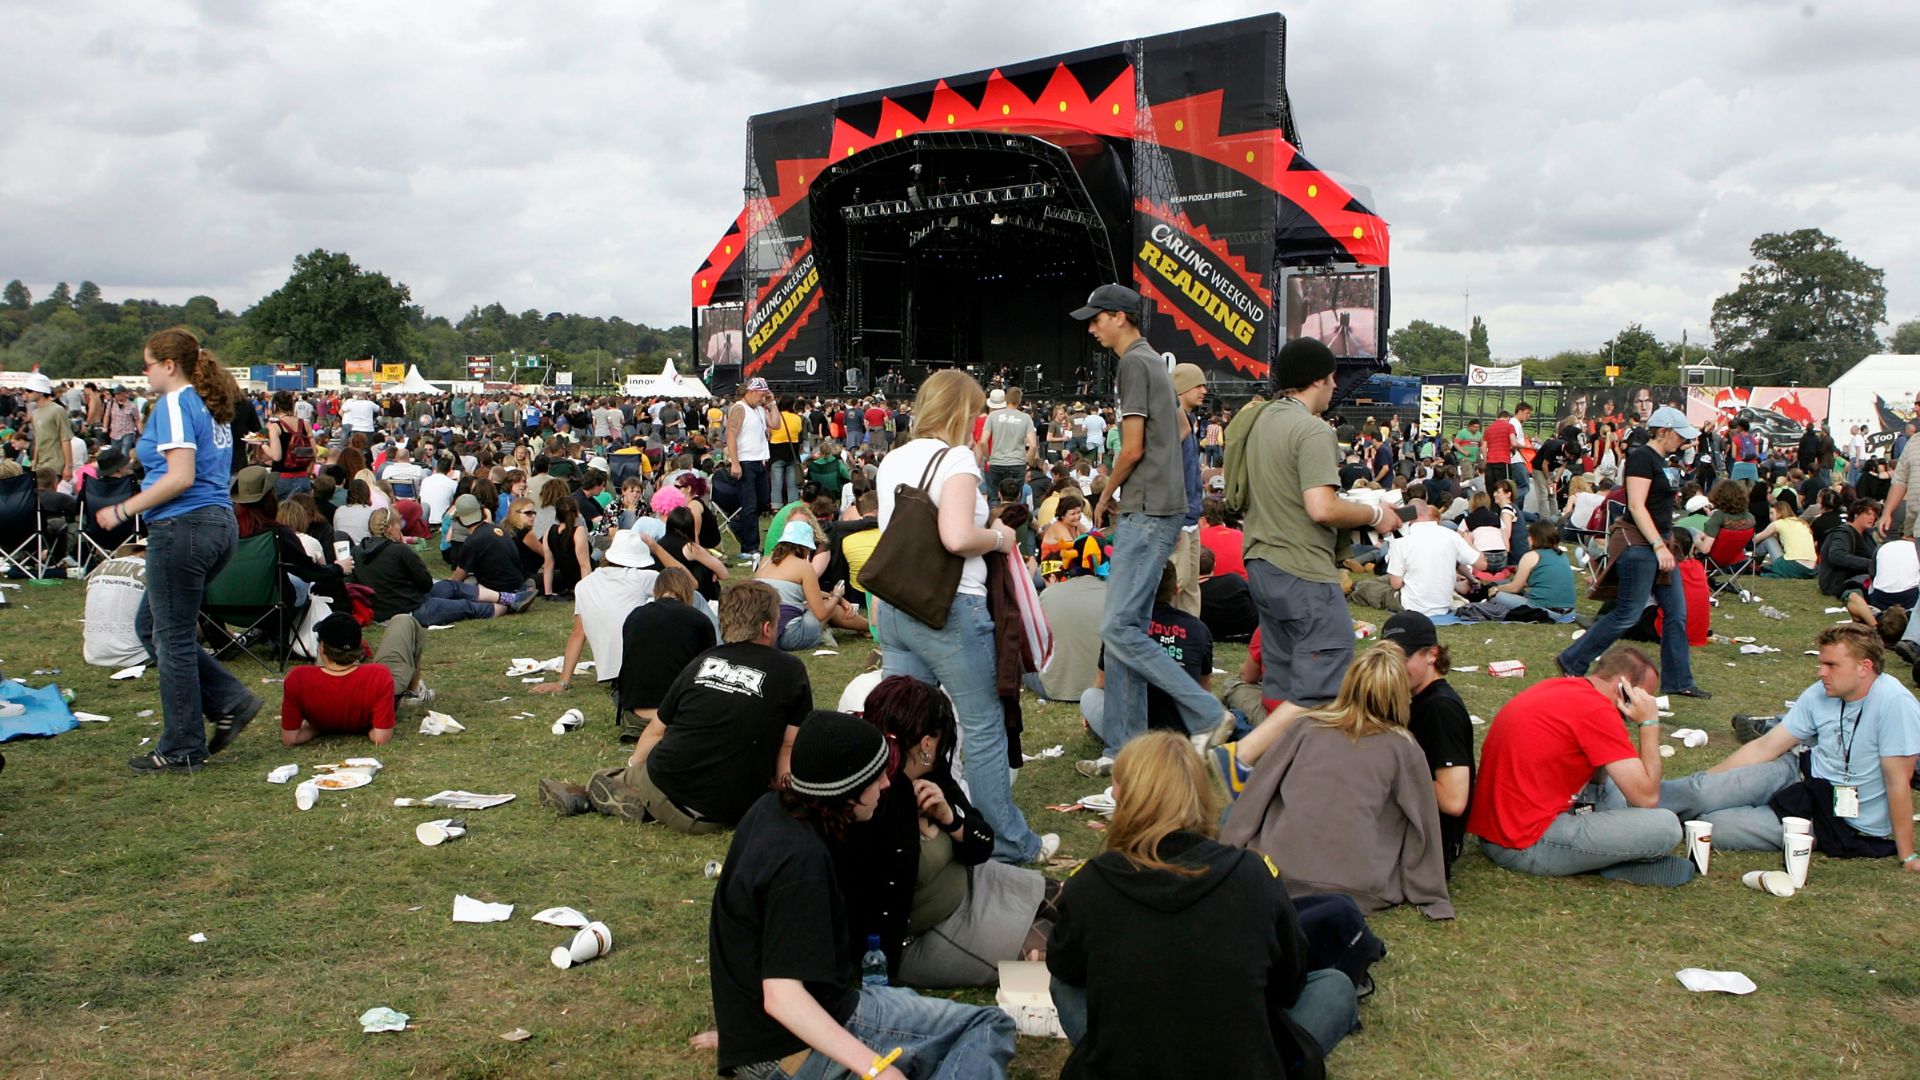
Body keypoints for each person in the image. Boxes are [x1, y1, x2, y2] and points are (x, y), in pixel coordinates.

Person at [706, 710, 1018, 1080]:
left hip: (762, 1038)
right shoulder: (800, 862)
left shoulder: (770, 811)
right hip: (790, 1049)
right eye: (876, 777)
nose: (886, 785)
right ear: (848, 791)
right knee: (988, 1024)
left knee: (914, 1017)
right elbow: (782, 996)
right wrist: (875, 1068)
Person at [1048, 730, 1358, 1079]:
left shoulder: (1089, 884)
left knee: (1064, 984)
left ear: (1123, 798)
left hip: (1130, 1062)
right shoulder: (1253, 874)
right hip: (1240, 1063)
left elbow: (1066, 968)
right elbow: (1288, 983)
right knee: (1333, 987)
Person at [872, 369, 1049, 864]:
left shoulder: (893, 459)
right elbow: (955, 537)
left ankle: (903, 823)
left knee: (903, 726)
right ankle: (1009, 843)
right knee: (984, 728)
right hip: (951, 607)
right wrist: (1000, 537)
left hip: (899, 605)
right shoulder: (957, 460)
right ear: (963, 413)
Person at [1214, 338, 1401, 785]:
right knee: (1325, 681)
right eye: (1333, 378)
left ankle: (1279, 776)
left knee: (1282, 684)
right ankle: (1240, 759)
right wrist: (1375, 514)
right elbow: (1321, 507)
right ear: (1319, 379)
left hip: (1262, 562)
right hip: (1302, 569)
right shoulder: (1313, 430)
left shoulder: (1259, 421)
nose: (1335, 386)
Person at [1071, 284, 1227, 771]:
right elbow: (1179, 430)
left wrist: (1105, 494)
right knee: (1127, 630)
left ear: (1120, 317)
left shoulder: (1134, 364)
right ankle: (1124, 750)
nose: (1092, 328)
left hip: (1147, 508)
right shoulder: (1152, 362)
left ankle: (1205, 712)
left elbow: (1134, 446)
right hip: (1158, 507)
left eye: (1097, 318)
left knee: (1118, 628)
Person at [1621, 624, 1920, 866]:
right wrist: (1711, 783)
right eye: (1821, 663)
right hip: (1799, 774)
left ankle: (1645, 823)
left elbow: (1898, 782)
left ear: (1864, 667)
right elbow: (1766, 747)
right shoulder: (1821, 692)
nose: (1821, 672)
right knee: (1702, 791)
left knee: (1714, 826)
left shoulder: (1895, 704)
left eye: (1831, 665)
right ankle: (1620, 805)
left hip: (1838, 818)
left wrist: (1907, 855)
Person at [101, 330, 261, 772]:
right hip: (216, 523)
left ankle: (183, 746)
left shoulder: (175, 403)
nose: (145, 373)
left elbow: (180, 476)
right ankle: (229, 698)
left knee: (170, 637)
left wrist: (124, 509)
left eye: (148, 364)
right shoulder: (208, 406)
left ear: (169, 365)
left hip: (183, 525)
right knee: (154, 626)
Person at [839, 675, 1059, 988]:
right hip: (927, 932)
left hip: (971, 882)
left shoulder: (933, 774)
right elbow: (875, 906)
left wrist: (950, 818)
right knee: (1058, 947)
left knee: (1072, 899)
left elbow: (982, 843)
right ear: (927, 743)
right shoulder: (872, 801)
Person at [540, 581, 811, 832]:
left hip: (667, 788)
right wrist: (786, 794)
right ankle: (630, 798)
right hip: (727, 812)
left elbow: (656, 731)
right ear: (767, 627)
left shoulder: (701, 663)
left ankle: (606, 794)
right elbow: (789, 745)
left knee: (609, 776)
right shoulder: (791, 670)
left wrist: (633, 768)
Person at [1221, 643, 1454, 918]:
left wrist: (1226, 853)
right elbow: (1423, 823)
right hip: (1360, 887)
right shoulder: (1405, 748)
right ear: (1400, 695)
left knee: (1231, 811)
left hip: (1281, 873)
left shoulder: (1306, 727)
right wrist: (1431, 893)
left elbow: (1257, 792)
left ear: (1348, 682)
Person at [1470, 645, 1701, 885]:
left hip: (1499, 830)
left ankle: (1607, 855)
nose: (1646, 703)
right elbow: (1647, 798)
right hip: (1523, 844)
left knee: (1618, 789)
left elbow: (1602, 781)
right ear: (1624, 686)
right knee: (1666, 827)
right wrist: (1649, 723)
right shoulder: (1597, 711)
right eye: (1644, 696)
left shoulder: (1562, 688)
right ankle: (1610, 862)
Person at [1555, 407, 1709, 700]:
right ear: (1663, 431)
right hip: (1640, 545)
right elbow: (1637, 506)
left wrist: (1664, 543)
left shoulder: (1662, 461)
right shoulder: (1641, 458)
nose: (1683, 441)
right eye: (1679, 435)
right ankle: (1573, 660)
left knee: (1676, 612)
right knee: (1628, 613)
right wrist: (1658, 545)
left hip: (1660, 542)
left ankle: (1679, 680)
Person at [527, 528, 680, 735]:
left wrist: (563, 681)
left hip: (615, 674)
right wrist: (657, 548)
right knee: (692, 600)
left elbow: (578, 634)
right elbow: (688, 582)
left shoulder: (584, 585)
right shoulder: (643, 577)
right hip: (644, 665)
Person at [1378, 612, 1475, 875]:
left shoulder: (1440, 709)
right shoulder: (1416, 699)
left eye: (1402, 660)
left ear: (1432, 654)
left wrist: (1390, 772)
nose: (1393, 669)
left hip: (1428, 845)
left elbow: (1453, 800)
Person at [279, 613, 432, 745]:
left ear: (322, 648)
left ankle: (335, 657)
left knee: (335, 630)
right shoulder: (379, 675)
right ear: (359, 647)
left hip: (326, 687)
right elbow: (381, 737)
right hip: (373, 686)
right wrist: (366, 727)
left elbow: (290, 738)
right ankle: (413, 691)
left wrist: (315, 728)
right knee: (403, 620)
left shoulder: (298, 678)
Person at [755, 519, 869, 650]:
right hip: (789, 637)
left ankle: (866, 628)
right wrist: (837, 596)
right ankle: (871, 628)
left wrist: (836, 598)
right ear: (803, 547)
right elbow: (821, 613)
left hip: (763, 634)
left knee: (814, 604)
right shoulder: (803, 567)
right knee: (829, 608)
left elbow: (802, 592)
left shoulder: (765, 562)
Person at [725, 377, 776, 559]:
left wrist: (772, 404)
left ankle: (739, 525)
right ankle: (749, 547)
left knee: (762, 501)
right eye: (761, 395)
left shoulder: (759, 409)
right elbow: (731, 435)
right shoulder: (739, 408)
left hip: (760, 459)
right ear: (751, 392)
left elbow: (775, 424)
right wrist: (735, 462)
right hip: (746, 460)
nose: (763, 398)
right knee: (750, 504)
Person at [1487, 519, 1578, 620]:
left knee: (1498, 596)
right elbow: (1544, 580)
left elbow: (1515, 587)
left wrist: (1496, 589)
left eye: (1529, 536)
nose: (1527, 539)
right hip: (1569, 611)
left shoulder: (1531, 556)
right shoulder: (1561, 555)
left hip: (1543, 610)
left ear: (1535, 537)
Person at [1198, 546, 1259, 643]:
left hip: (1218, 635)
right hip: (1250, 630)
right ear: (1214, 565)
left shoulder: (1192, 595)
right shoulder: (1233, 580)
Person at [263, 390, 316, 499]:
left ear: (275, 406)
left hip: (282, 479)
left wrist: (263, 445)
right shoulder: (305, 424)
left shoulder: (275, 427)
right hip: (303, 478)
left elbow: (276, 456)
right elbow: (314, 452)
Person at [1754, 497, 1818, 578]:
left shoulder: (1778, 523)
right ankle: (1753, 564)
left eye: (1772, 513)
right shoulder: (1802, 523)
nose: (1770, 517)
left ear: (1780, 513)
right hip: (1811, 568)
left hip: (1794, 566)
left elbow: (1756, 539)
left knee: (1768, 540)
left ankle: (1752, 564)